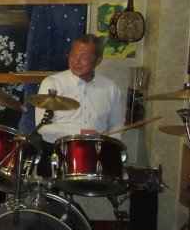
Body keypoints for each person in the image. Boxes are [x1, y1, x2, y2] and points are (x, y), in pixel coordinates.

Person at [34, 33, 123, 177]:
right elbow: (42, 127)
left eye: (84, 56)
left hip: (96, 155)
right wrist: (82, 133)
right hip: (56, 153)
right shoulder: (52, 83)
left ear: (98, 60)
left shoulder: (111, 88)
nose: (76, 61)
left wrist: (111, 144)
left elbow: (117, 124)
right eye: (73, 55)